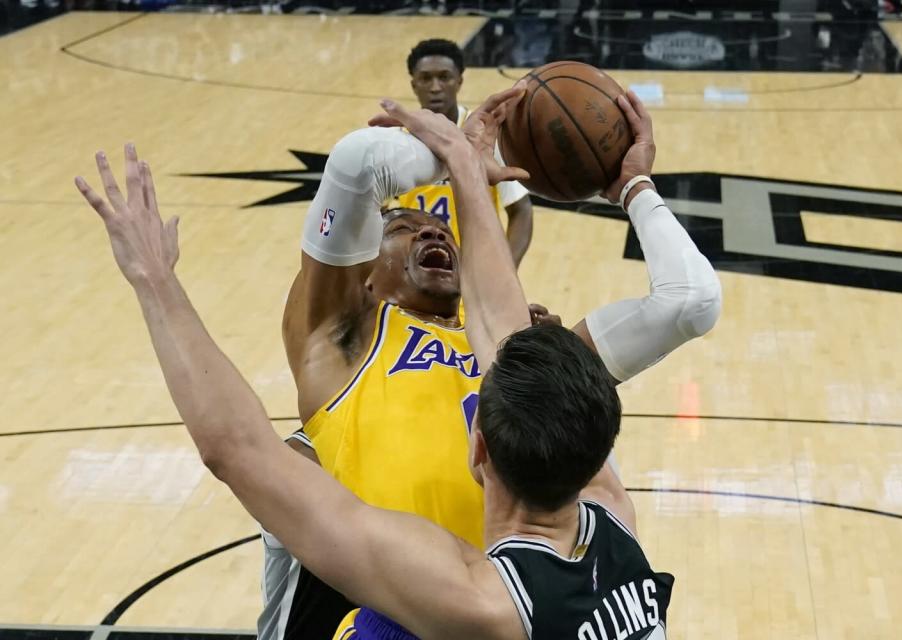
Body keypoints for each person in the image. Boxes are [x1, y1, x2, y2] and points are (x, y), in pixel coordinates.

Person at [75, 88, 690, 639]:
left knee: (374, 630)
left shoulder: (482, 602)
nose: (432, 233)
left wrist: (154, 279)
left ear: (478, 450)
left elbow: (237, 447)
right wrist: (471, 180)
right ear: (598, 453)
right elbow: (500, 326)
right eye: (405, 224)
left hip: (413, 587)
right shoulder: (616, 526)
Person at [272, 82, 720, 638]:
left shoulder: (526, 355)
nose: (432, 228)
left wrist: (635, 188)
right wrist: (452, 153)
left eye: (440, 228)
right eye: (401, 227)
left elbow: (689, 301)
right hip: (412, 616)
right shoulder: (340, 341)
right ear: (362, 275)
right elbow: (357, 161)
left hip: (531, 610)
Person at [393, 38, 534, 265]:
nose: (436, 87)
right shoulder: (398, 139)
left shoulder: (485, 137)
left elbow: (521, 211)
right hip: (414, 272)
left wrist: (506, 272)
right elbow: (374, 212)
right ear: (414, 84)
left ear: (459, 81)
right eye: (426, 78)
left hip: (472, 273)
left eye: (444, 77)